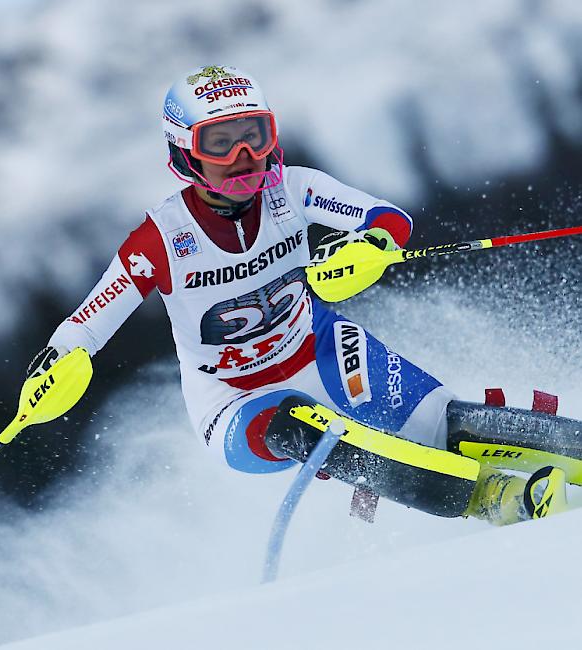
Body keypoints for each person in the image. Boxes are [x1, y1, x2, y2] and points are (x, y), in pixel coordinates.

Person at [28, 65, 569, 526]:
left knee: (436, 421)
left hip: (320, 346)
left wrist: (371, 246)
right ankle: (490, 498)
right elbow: (90, 320)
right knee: (304, 428)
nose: (244, 156)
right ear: (185, 153)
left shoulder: (294, 188)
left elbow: (385, 218)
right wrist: (59, 362)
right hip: (233, 400)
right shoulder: (164, 237)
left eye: (254, 134)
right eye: (220, 142)